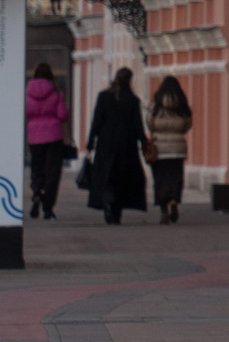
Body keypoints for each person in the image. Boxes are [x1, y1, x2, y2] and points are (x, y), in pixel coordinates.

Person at [84, 67, 150, 225]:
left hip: (105, 143)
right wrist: (144, 142)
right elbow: (138, 125)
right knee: (121, 178)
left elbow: (97, 121)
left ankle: (107, 200)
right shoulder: (132, 100)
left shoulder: (104, 96)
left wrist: (90, 142)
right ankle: (116, 210)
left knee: (107, 174)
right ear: (130, 80)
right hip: (126, 144)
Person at [25, 62, 70, 221]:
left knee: (37, 167)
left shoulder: (28, 91)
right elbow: (62, 115)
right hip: (53, 136)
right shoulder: (56, 92)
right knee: (53, 171)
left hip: (34, 136)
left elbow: (26, 111)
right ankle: (48, 207)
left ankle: (37, 192)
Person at [147, 76, 193, 225]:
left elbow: (150, 123)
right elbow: (187, 125)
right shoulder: (182, 104)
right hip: (178, 148)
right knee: (175, 177)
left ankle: (163, 211)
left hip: (159, 148)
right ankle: (174, 200)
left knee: (160, 179)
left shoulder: (156, 104)